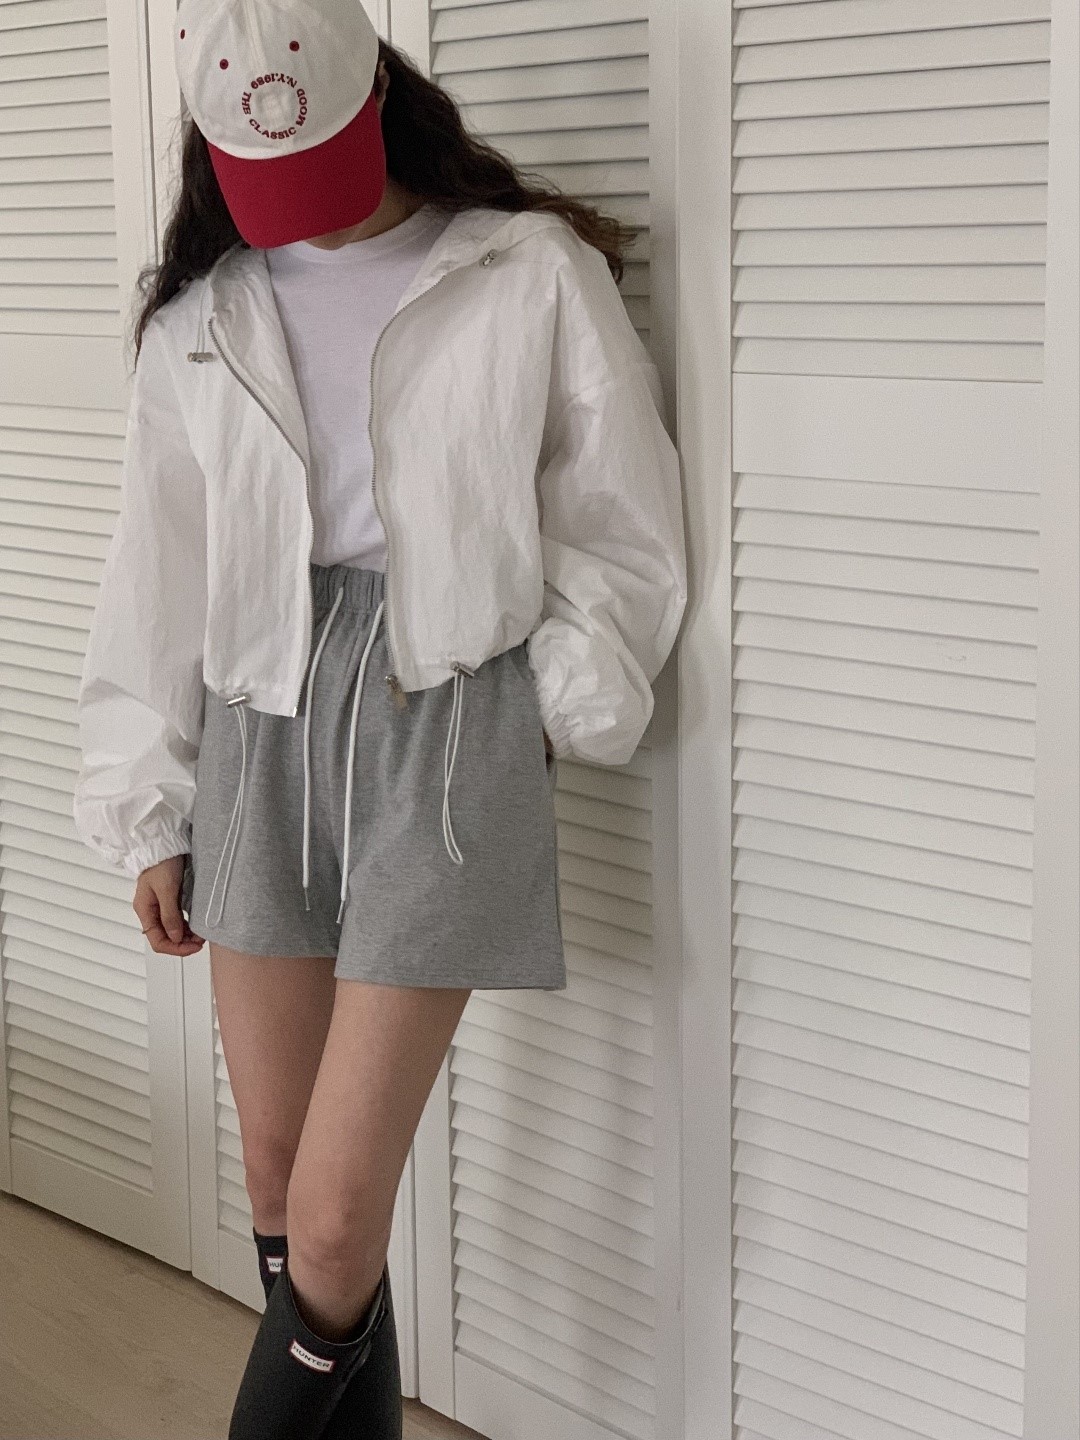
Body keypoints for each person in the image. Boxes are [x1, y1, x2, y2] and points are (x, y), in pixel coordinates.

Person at [72, 0, 687, 1436]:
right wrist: (145, 802)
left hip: (443, 711)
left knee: (340, 1220)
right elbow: (155, 571)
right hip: (257, 715)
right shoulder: (204, 319)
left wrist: (540, 705)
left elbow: (620, 518)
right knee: (280, 1187)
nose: (300, 212)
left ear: (379, 104)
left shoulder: (524, 273)